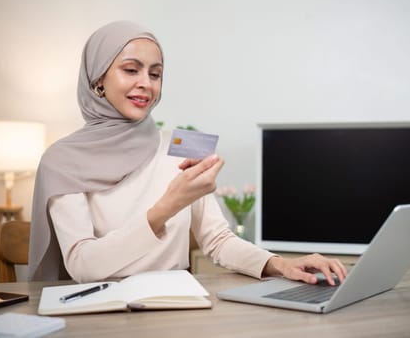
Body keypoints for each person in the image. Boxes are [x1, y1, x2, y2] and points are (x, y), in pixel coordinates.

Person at [28, 20, 347, 285]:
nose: (146, 84)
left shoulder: (184, 143)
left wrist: (280, 264)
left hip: (175, 306)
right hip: (98, 314)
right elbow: (83, 266)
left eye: (155, 74)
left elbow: (219, 240)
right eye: (131, 70)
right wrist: (166, 208)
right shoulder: (61, 160)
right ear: (98, 80)